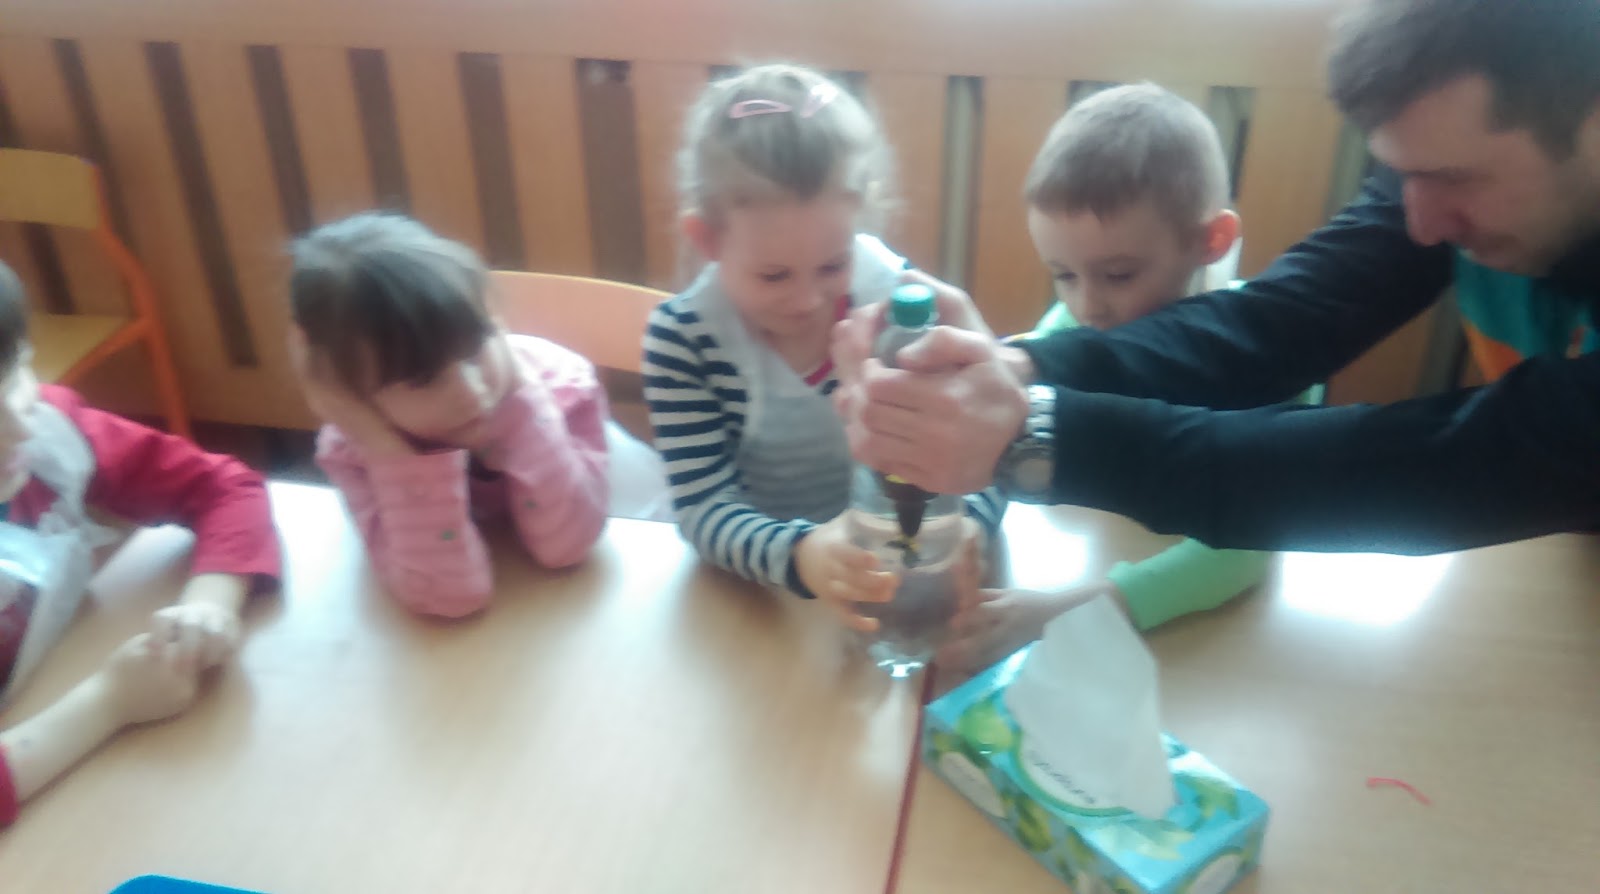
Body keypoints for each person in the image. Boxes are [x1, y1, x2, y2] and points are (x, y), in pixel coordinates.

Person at [835, 0, 1600, 556]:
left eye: (1456, 179)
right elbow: (1276, 322)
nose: (1421, 224)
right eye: (1400, 176)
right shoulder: (1438, 177)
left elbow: (1429, 467)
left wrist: (1032, 433)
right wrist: (1020, 367)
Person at [944, 84, 1321, 670]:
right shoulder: (1076, 323)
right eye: (1064, 274)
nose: (1086, 307)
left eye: (1118, 275)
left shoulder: (1276, 347)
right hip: (1094, 558)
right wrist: (970, 514)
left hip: (1212, 644)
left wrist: (1073, 611)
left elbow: (1245, 552)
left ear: (1210, 241)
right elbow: (1008, 419)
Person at [641, 63, 1002, 632]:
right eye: (774, 275)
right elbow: (703, 507)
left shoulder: (901, 308)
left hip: (899, 577)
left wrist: (971, 524)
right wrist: (802, 555)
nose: (808, 300)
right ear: (707, 239)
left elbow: (987, 442)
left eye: (834, 265)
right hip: (765, 594)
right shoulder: (684, 338)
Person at [0, 259, 280, 826]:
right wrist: (108, 702)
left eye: (16, 373)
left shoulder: (46, 438)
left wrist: (208, 606)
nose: (18, 427)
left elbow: (222, 485)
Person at [289, 212, 610, 619]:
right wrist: (386, 449)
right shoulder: (354, 450)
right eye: (424, 381)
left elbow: (569, 548)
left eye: (475, 350)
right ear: (352, 396)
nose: (472, 392)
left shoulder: (565, 391)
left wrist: (519, 403)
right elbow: (451, 596)